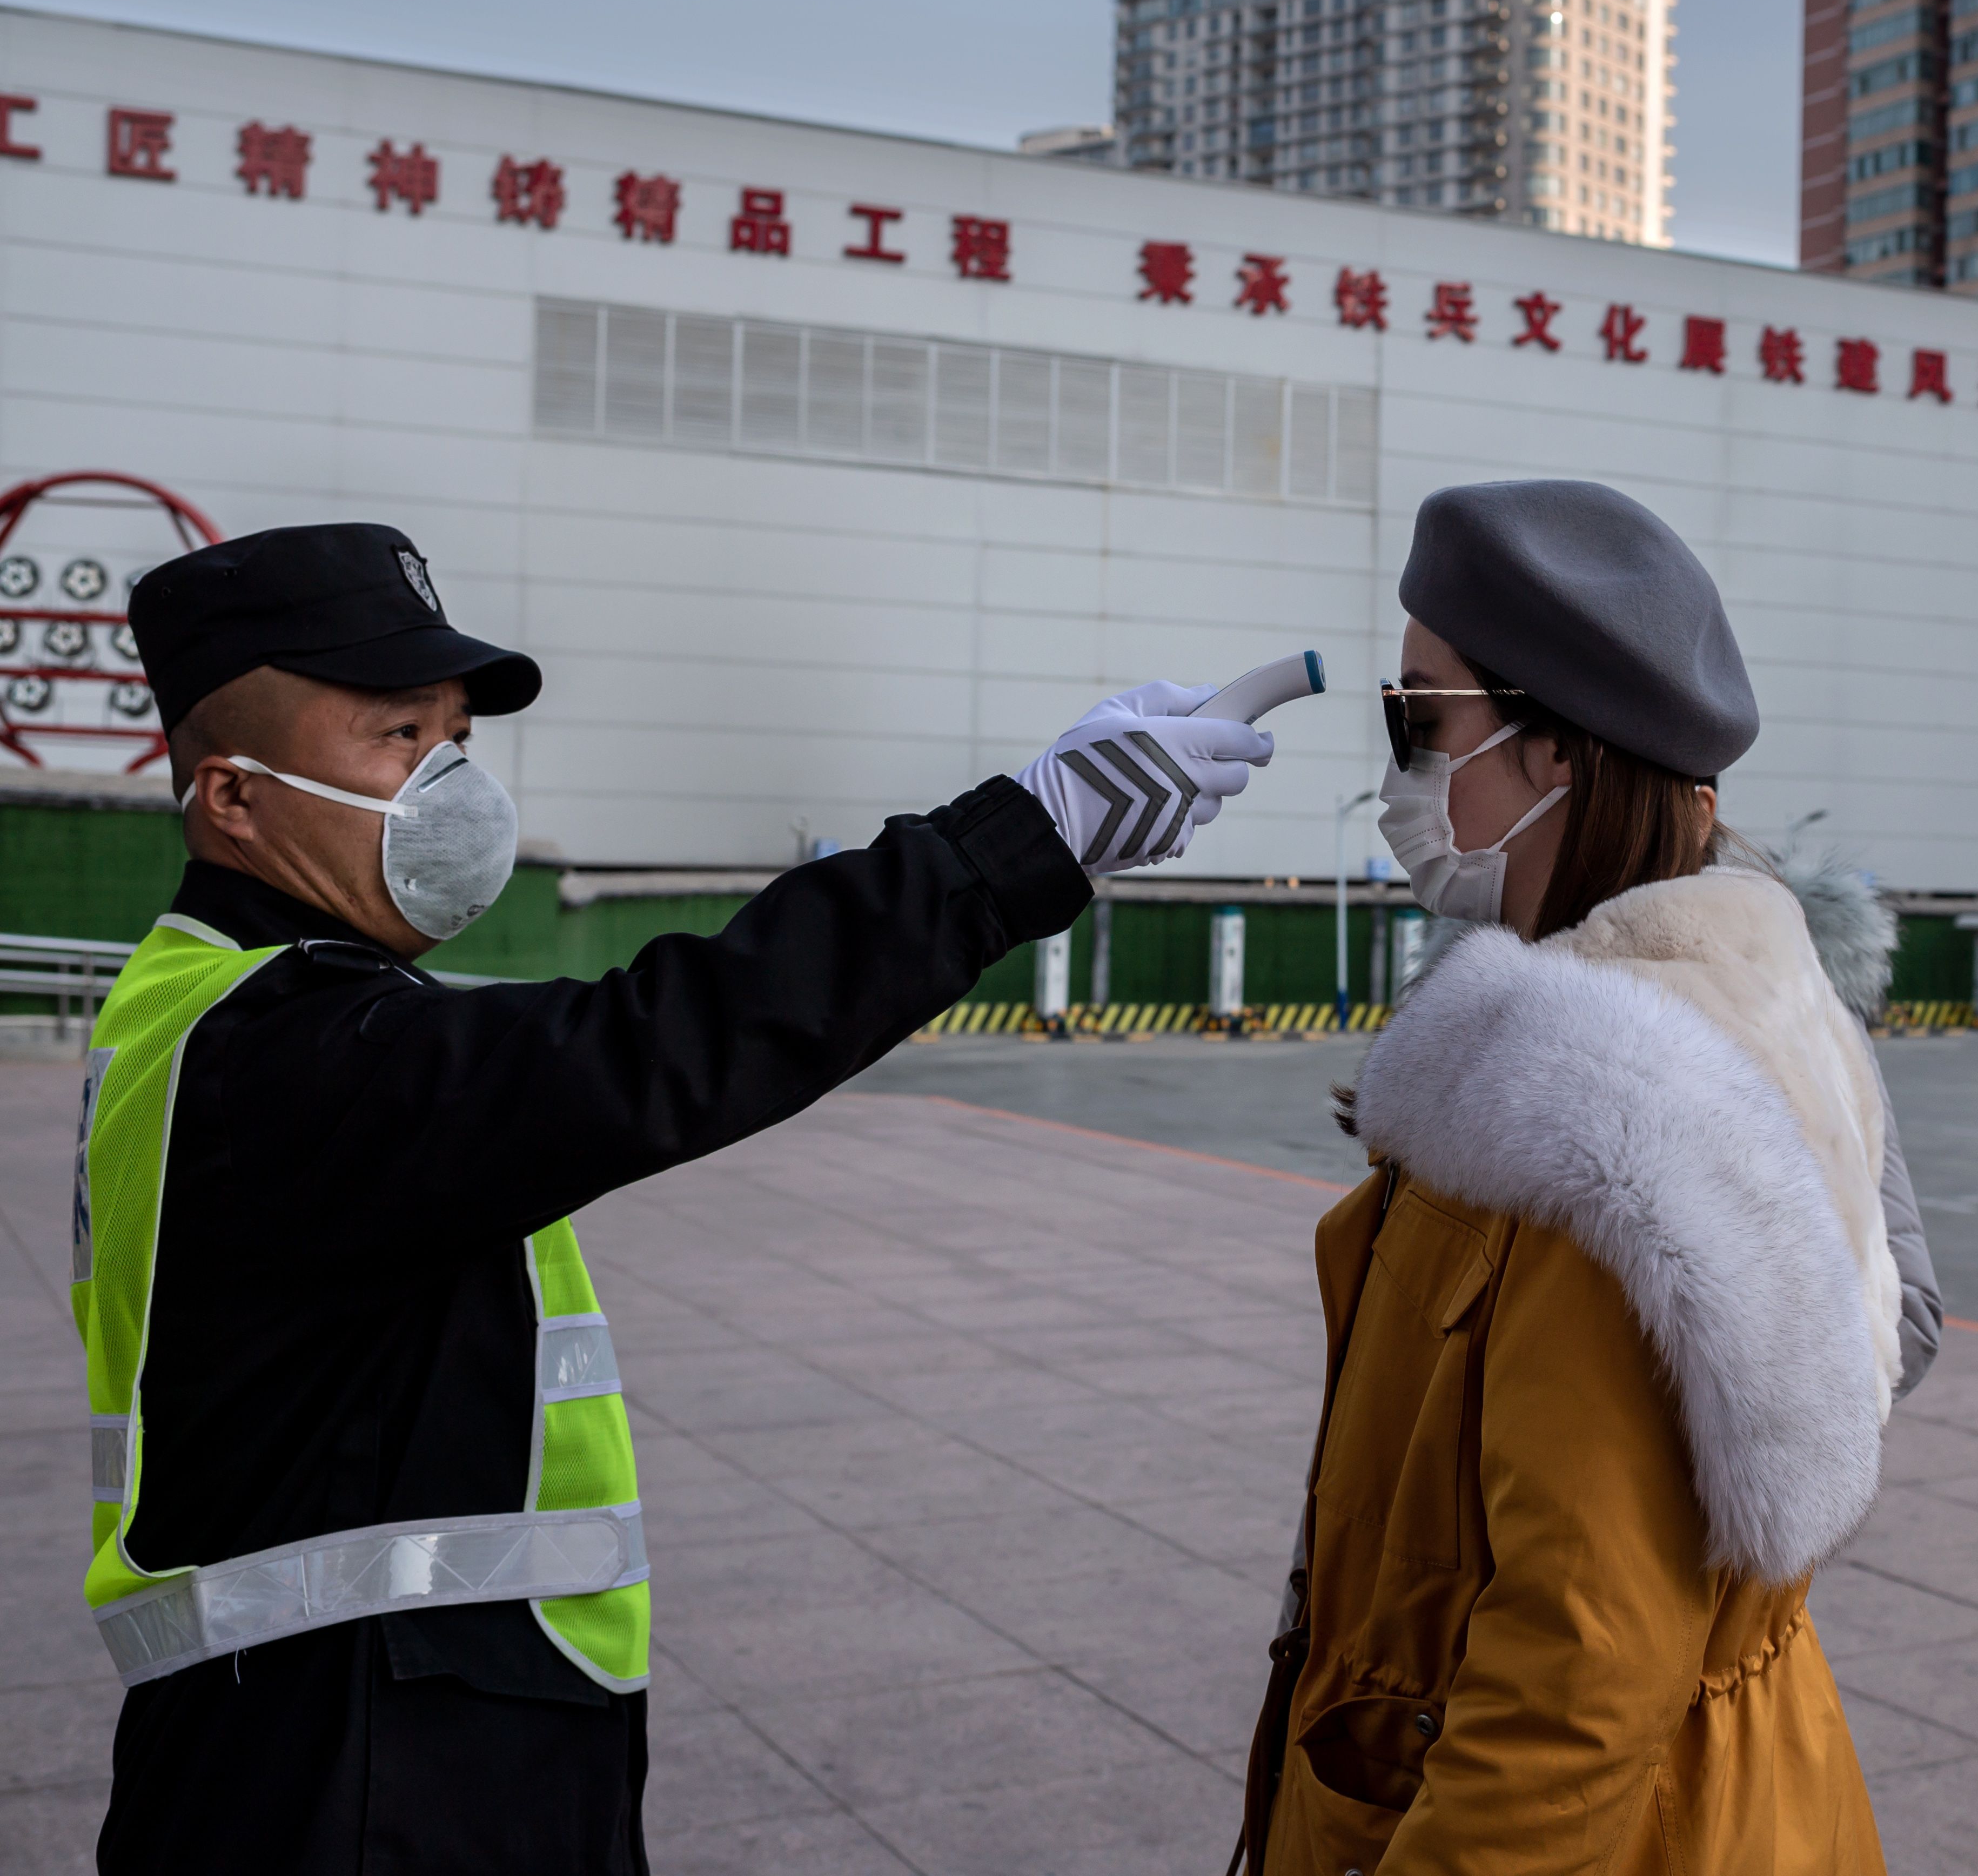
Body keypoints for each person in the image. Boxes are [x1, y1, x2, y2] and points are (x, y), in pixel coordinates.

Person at [77, 521, 1272, 1874]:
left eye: (456, 735)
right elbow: (671, 1038)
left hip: (348, 1737)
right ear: (234, 797)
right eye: (397, 738)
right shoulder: (277, 1052)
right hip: (354, 1778)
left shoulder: (227, 1013)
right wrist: (1024, 838)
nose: (449, 779)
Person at [1239, 480, 1895, 1875]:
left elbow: (1576, 1689)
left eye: (1423, 717)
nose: (1402, 767)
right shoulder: (1743, 1003)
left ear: (1557, 760)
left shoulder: (1610, 1123)